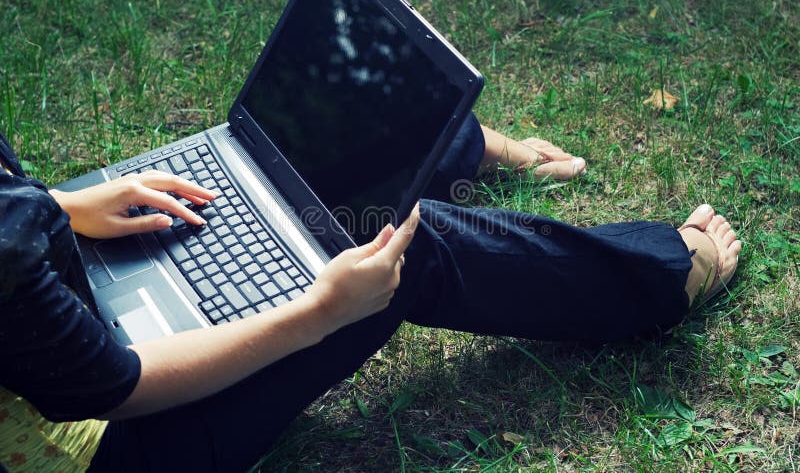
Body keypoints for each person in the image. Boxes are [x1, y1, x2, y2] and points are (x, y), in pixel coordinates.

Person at [0, 112, 740, 472]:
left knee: (281, 153)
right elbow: (110, 388)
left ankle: (465, 143)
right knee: (404, 249)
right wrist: (318, 313)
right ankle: (660, 277)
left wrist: (59, 211)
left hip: (49, 330)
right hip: (109, 448)